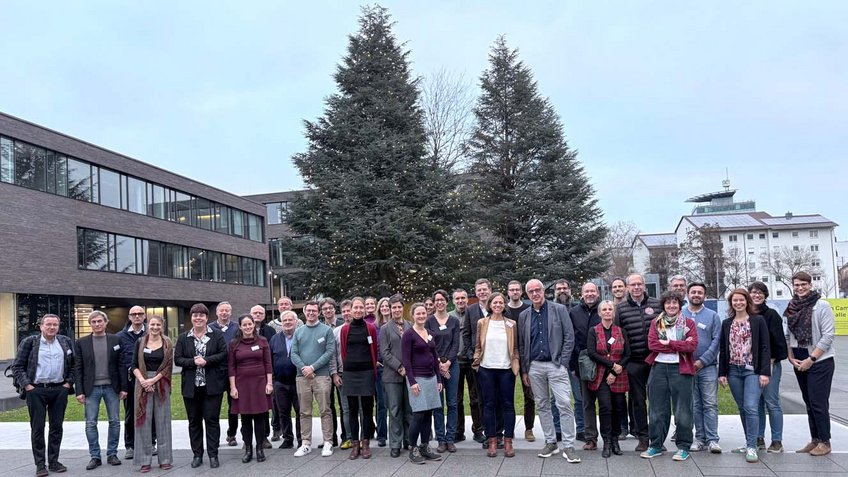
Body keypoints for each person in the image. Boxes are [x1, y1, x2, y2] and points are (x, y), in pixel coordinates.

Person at [518, 278, 581, 463]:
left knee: (563, 403)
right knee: (543, 405)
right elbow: (522, 344)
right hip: (534, 367)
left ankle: (569, 446)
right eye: (531, 291)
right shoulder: (524, 316)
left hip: (556, 365)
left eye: (538, 290)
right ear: (527, 294)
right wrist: (525, 369)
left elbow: (569, 337)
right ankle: (551, 441)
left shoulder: (559, 310)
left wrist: (563, 362)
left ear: (543, 291)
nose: (535, 293)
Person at [12, 314, 75, 477]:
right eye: (48, 324)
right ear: (41, 326)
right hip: (36, 390)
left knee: (56, 427)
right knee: (38, 428)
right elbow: (17, 367)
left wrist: (68, 383)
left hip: (59, 389)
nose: (52, 327)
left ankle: (54, 461)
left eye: (55, 325)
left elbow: (74, 365)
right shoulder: (30, 342)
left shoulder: (65, 342)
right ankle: (40, 464)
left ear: (58, 327)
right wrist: (27, 386)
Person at [640, 292, 697, 462]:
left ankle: (683, 446)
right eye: (668, 303)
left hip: (681, 369)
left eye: (675, 303)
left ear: (680, 305)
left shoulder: (688, 323)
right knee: (657, 410)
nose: (671, 306)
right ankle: (656, 445)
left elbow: (692, 346)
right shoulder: (655, 323)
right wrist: (680, 345)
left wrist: (669, 343)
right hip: (658, 368)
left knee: (683, 410)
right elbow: (653, 344)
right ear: (663, 305)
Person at [785, 271, 836, 456]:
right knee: (808, 402)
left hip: (819, 360)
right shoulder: (792, 306)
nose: (800, 288)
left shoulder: (821, 305)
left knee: (818, 402)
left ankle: (825, 441)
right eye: (796, 285)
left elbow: (828, 335)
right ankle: (815, 440)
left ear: (810, 284)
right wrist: (790, 356)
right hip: (798, 358)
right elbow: (788, 334)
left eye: (803, 284)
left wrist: (811, 359)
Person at [718, 288, 770, 463]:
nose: (738, 303)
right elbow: (723, 349)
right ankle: (749, 442)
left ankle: (752, 446)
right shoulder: (727, 323)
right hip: (733, 370)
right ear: (731, 303)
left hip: (752, 371)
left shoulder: (758, 320)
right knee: (742, 408)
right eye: (735, 300)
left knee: (750, 407)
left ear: (747, 301)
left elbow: (765, 347)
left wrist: (764, 372)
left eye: (741, 300)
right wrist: (722, 373)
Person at [174, 303, 228, 469]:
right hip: (191, 387)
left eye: (201, 315)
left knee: (212, 421)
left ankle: (213, 455)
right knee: (194, 422)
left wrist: (207, 360)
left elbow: (223, 353)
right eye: (195, 315)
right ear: (191, 318)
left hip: (212, 386)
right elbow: (178, 359)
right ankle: (197, 455)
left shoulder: (217, 335)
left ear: (206, 318)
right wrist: (192, 362)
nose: (198, 318)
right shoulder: (184, 337)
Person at [74, 310, 128, 470]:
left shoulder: (116, 339)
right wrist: (79, 391)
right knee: (91, 423)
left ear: (106, 322)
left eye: (100, 321)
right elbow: (78, 368)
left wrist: (124, 387)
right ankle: (95, 456)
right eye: (94, 322)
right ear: (90, 324)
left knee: (115, 421)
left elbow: (121, 364)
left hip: (112, 387)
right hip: (91, 389)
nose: (97, 324)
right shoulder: (81, 342)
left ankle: (112, 454)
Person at [614, 273, 660, 451]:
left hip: (656, 361)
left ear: (644, 285)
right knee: (638, 402)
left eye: (639, 284)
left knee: (657, 401)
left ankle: (658, 437)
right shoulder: (622, 309)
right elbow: (618, 336)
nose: (636, 287)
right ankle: (643, 437)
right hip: (634, 363)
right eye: (632, 285)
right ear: (627, 288)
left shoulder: (656, 305)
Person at [472, 292, 520, 458]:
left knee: (508, 405)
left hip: (506, 369)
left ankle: (508, 441)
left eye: (501, 302)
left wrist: (516, 364)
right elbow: (478, 345)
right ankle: (492, 440)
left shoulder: (511, 324)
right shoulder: (482, 323)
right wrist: (476, 362)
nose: (498, 305)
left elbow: (515, 348)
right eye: (495, 303)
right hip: (486, 369)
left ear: (504, 305)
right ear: (490, 305)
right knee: (489, 405)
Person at [291, 300, 336, 457]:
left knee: (325, 410)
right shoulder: (299, 331)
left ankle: (328, 442)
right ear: (304, 311)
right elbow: (293, 353)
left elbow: (329, 351)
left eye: (314, 311)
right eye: (308, 310)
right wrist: (304, 368)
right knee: (304, 412)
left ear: (319, 312)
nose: (311, 313)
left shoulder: (326, 330)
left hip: (321, 376)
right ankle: (306, 443)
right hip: (302, 377)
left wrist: (313, 367)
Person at [585, 301, 629, 458]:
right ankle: (607, 441)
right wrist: (611, 365)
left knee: (618, 408)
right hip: (601, 375)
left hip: (618, 375)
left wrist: (616, 370)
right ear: (600, 313)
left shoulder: (620, 331)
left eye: (610, 309)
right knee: (605, 408)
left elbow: (627, 354)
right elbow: (591, 353)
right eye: (605, 309)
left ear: (614, 312)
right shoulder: (594, 331)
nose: (608, 311)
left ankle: (615, 439)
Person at [130, 315, 173, 472]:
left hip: (161, 383)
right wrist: (143, 381)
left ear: (162, 326)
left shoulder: (167, 343)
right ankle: (144, 460)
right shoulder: (140, 342)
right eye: (152, 324)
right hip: (142, 383)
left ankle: (165, 459)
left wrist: (153, 380)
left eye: (158, 325)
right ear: (148, 326)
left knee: (163, 421)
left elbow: (168, 366)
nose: (155, 327)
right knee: (143, 421)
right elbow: (133, 364)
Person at [748, 281, 788, 453]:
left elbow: (780, 344)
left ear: (765, 295)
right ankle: (758, 438)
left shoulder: (771, 315)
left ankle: (777, 441)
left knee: (772, 403)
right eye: (753, 292)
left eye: (760, 293)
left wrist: (770, 362)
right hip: (751, 367)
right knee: (756, 404)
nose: (756, 295)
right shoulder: (745, 315)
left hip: (770, 365)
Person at [683, 282, 722, 454]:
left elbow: (716, 341)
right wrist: (689, 361)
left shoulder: (713, 316)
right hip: (686, 366)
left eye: (700, 292)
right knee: (695, 404)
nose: (696, 295)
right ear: (688, 294)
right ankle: (699, 438)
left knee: (710, 404)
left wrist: (703, 361)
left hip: (708, 367)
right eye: (693, 292)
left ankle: (713, 439)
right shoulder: (680, 314)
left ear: (704, 296)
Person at [228, 314, 273, 464]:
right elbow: (231, 367)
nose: (247, 327)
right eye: (244, 325)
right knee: (245, 419)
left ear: (254, 325)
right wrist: (233, 387)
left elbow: (268, 364)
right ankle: (248, 449)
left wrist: (269, 383)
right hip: (242, 385)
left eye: (250, 324)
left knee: (260, 417)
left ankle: (260, 448)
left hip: (260, 383)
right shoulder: (234, 344)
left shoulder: (263, 341)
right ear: (240, 327)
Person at [402, 303, 443, 464]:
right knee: (418, 415)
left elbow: (435, 358)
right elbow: (406, 360)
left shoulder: (431, 333)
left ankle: (425, 447)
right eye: (418, 313)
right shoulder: (408, 335)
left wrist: (439, 379)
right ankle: (413, 449)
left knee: (428, 415)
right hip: (417, 379)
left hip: (431, 378)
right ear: (413, 315)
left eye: (423, 313)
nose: (421, 316)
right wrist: (412, 381)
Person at [339, 297, 380, 459]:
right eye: (355, 308)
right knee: (352, 410)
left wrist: (372, 368)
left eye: (360, 308)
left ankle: (366, 444)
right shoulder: (345, 330)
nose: (357, 310)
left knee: (368, 410)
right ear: (350, 309)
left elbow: (374, 350)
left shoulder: (370, 329)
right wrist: (348, 367)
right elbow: (343, 351)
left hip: (367, 373)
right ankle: (355, 444)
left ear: (364, 310)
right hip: (350, 373)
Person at [425, 289, 461, 453]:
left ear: (447, 302)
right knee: (437, 405)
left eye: (442, 300)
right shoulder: (429, 322)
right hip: (435, 367)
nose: (439, 302)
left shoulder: (454, 321)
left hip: (452, 366)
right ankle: (440, 439)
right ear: (433, 303)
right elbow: (428, 344)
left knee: (452, 403)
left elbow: (455, 344)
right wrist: (439, 362)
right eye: (436, 300)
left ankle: (450, 438)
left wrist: (448, 363)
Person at [461, 278, 494, 446]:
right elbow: (466, 334)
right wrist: (470, 353)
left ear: (490, 290)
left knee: (494, 397)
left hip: (496, 361)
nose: (482, 292)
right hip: (477, 362)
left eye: (484, 289)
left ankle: (495, 430)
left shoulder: (497, 306)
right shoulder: (471, 310)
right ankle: (480, 429)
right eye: (479, 290)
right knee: (478, 397)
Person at [380, 294, 413, 458]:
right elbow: (384, 352)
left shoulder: (410, 325)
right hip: (392, 376)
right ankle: (395, 444)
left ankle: (409, 440)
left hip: (410, 375)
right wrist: (399, 367)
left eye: (399, 306)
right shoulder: (385, 328)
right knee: (394, 410)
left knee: (409, 409)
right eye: (394, 307)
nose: (397, 309)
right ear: (390, 309)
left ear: (403, 307)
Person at [570, 282, 602, 450]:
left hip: (603, 362)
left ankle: (609, 436)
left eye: (592, 291)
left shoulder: (604, 310)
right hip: (581, 363)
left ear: (597, 293)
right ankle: (590, 437)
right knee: (585, 401)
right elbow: (570, 338)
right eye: (586, 291)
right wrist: (574, 365)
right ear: (581, 294)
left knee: (605, 402)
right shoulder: (574, 313)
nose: (590, 294)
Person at [117, 306, 149, 460]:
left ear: (144, 316)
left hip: (149, 381)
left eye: (140, 314)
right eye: (134, 314)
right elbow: (118, 361)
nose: (137, 316)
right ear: (129, 317)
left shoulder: (152, 333)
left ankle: (151, 442)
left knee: (150, 412)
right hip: (130, 381)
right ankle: (130, 445)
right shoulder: (120, 337)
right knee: (130, 413)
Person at [505, 280, 534, 442]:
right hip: (508, 358)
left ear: (521, 292)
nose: (514, 292)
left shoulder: (528, 310)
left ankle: (528, 428)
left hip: (526, 358)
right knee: (507, 395)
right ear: (507, 292)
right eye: (511, 290)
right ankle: (509, 428)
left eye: (517, 289)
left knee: (529, 395)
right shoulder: (504, 310)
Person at [270, 311, 303, 450]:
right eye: (285, 321)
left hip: (299, 381)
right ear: (281, 323)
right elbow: (270, 360)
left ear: (296, 322)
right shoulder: (274, 339)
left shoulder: (302, 337)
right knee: (283, 412)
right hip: (280, 382)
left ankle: (302, 439)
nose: (288, 322)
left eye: (290, 320)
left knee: (301, 412)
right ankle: (288, 439)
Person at [209, 301, 240, 448]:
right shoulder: (209, 328)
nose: (224, 313)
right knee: (213, 405)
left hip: (233, 372)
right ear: (217, 312)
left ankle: (231, 434)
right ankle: (213, 437)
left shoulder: (236, 327)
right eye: (221, 311)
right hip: (215, 372)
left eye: (227, 310)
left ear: (231, 312)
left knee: (233, 404)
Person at [452, 288, 481, 443]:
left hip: (471, 362)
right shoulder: (449, 317)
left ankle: (478, 430)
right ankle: (458, 431)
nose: (460, 301)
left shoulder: (473, 314)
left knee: (475, 398)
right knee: (456, 399)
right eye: (457, 299)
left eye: (463, 298)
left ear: (467, 300)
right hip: (455, 362)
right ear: (453, 301)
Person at [320, 298, 344, 448]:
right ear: (322, 312)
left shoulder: (343, 325)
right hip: (324, 372)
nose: (328, 311)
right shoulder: (320, 328)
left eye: (330, 308)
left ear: (335, 309)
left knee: (344, 405)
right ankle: (331, 438)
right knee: (327, 406)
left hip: (340, 372)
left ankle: (346, 436)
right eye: (325, 309)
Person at [608, 276, 629, 439]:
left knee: (631, 396)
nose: (617, 289)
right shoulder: (608, 306)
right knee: (617, 395)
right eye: (615, 287)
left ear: (626, 288)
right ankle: (620, 427)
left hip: (627, 355)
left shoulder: (629, 305)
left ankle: (631, 426)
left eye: (620, 286)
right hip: (612, 357)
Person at [332, 300, 353, 450]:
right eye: (344, 311)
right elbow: (332, 355)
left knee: (360, 408)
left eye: (348, 310)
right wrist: (334, 374)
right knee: (346, 409)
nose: (346, 313)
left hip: (359, 375)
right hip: (342, 374)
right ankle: (350, 438)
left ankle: (362, 438)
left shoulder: (364, 328)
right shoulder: (336, 332)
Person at [372, 297, 390, 447]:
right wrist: (374, 361)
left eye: (387, 306)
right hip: (380, 368)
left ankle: (400, 432)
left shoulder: (400, 325)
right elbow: (370, 347)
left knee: (397, 404)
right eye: (382, 306)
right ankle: (382, 434)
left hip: (396, 368)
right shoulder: (374, 327)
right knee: (382, 403)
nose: (385, 308)